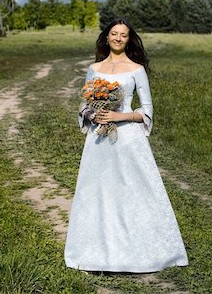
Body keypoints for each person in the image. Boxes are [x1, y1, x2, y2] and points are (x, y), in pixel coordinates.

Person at [64, 18, 189, 273]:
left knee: (132, 190)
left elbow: (147, 109)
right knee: (97, 191)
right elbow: (83, 103)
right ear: (106, 37)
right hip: (98, 140)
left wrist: (120, 116)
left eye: (123, 35)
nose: (118, 38)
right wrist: (93, 114)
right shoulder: (94, 68)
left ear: (129, 39)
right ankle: (95, 251)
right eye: (114, 33)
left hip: (128, 140)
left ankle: (141, 250)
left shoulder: (136, 69)